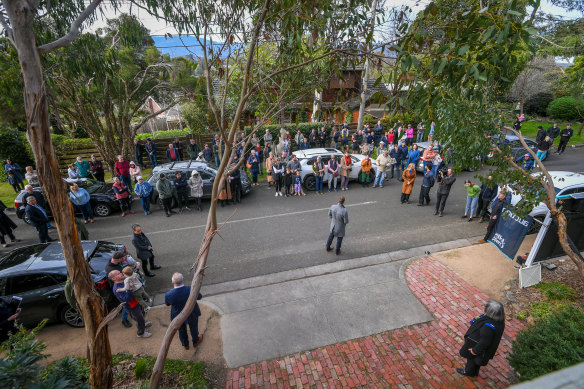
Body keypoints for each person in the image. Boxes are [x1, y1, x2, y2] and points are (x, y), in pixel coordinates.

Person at [456, 300, 505, 377]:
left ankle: (468, 372)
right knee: (475, 361)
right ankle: (474, 372)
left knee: (471, 360)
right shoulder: (499, 320)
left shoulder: (487, 327)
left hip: (476, 346)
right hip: (480, 344)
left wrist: (475, 350)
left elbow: (485, 341)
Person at [165, 272, 203, 350]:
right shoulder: (191, 289)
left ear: (172, 282)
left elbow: (167, 304)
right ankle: (195, 341)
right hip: (192, 312)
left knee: (181, 330)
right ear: (183, 279)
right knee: (194, 327)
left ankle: (185, 344)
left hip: (177, 315)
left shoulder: (169, 294)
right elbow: (199, 297)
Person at [110, 270, 152, 338]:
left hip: (138, 301)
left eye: (120, 272)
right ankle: (140, 333)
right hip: (132, 307)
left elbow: (139, 284)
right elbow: (127, 299)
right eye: (118, 274)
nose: (121, 273)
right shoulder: (117, 289)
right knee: (139, 319)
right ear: (113, 278)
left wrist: (138, 279)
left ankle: (144, 323)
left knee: (143, 312)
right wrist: (129, 289)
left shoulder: (125, 278)